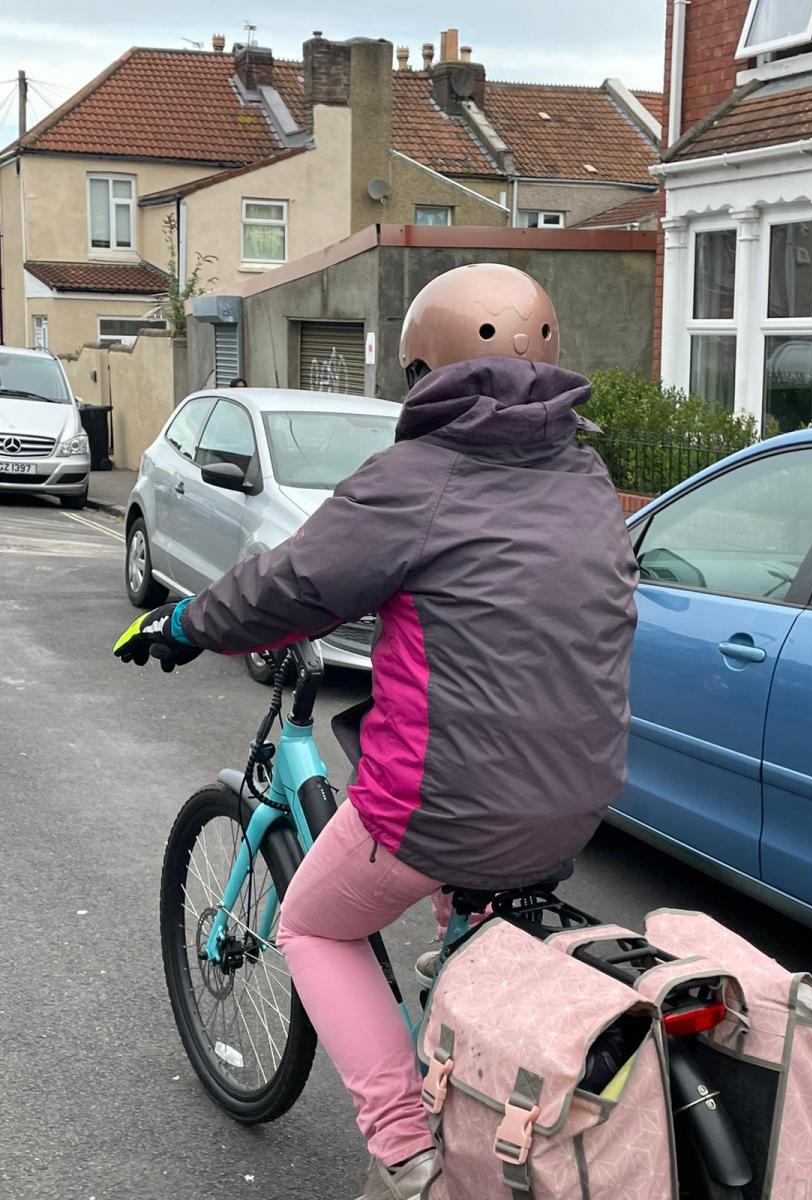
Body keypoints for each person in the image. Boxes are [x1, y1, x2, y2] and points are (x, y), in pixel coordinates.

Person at [114, 263, 638, 1200]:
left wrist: (186, 624)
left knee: (314, 927)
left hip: (448, 800)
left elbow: (293, 584)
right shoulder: (584, 472)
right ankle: (471, 1049)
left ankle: (407, 1148)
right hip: (578, 793)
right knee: (467, 908)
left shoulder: (420, 476)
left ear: (423, 370)